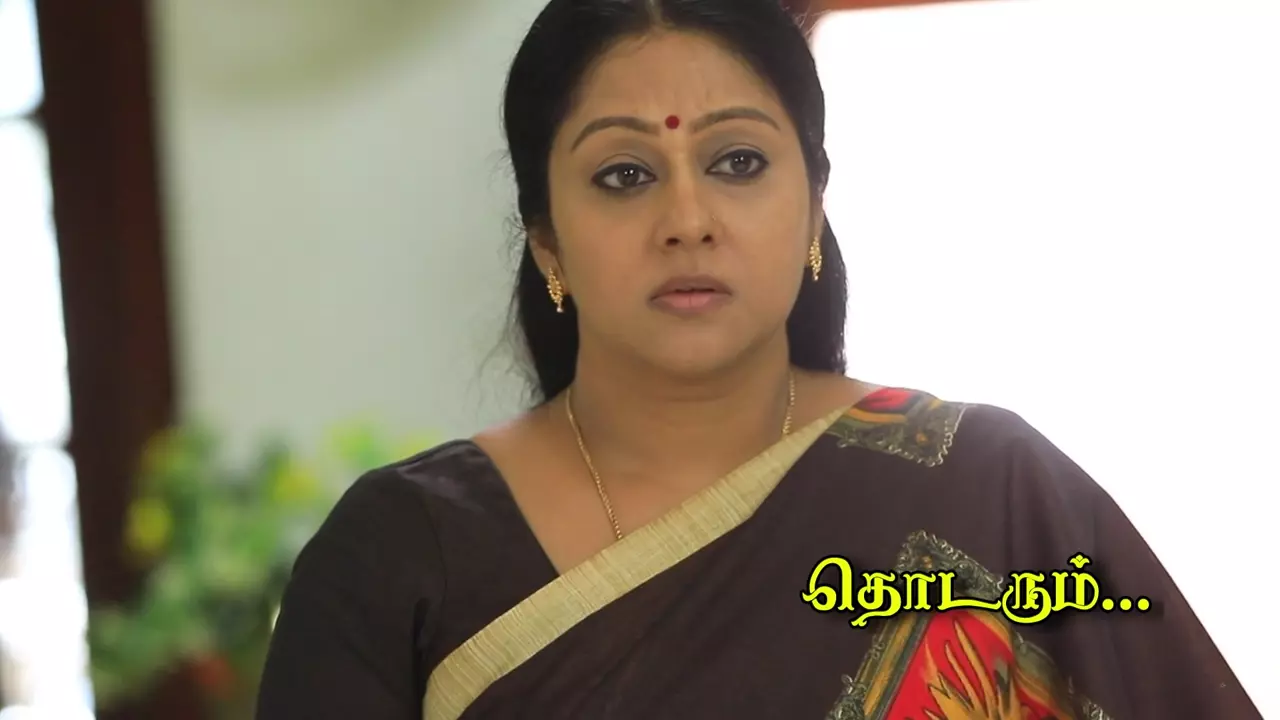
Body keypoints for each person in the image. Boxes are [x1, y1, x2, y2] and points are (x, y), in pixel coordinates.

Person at [255, 1, 1260, 718]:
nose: (687, 219)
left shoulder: (988, 487)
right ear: (546, 240)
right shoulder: (397, 554)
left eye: (737, 162)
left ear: (813, 207)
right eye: (623, 174)